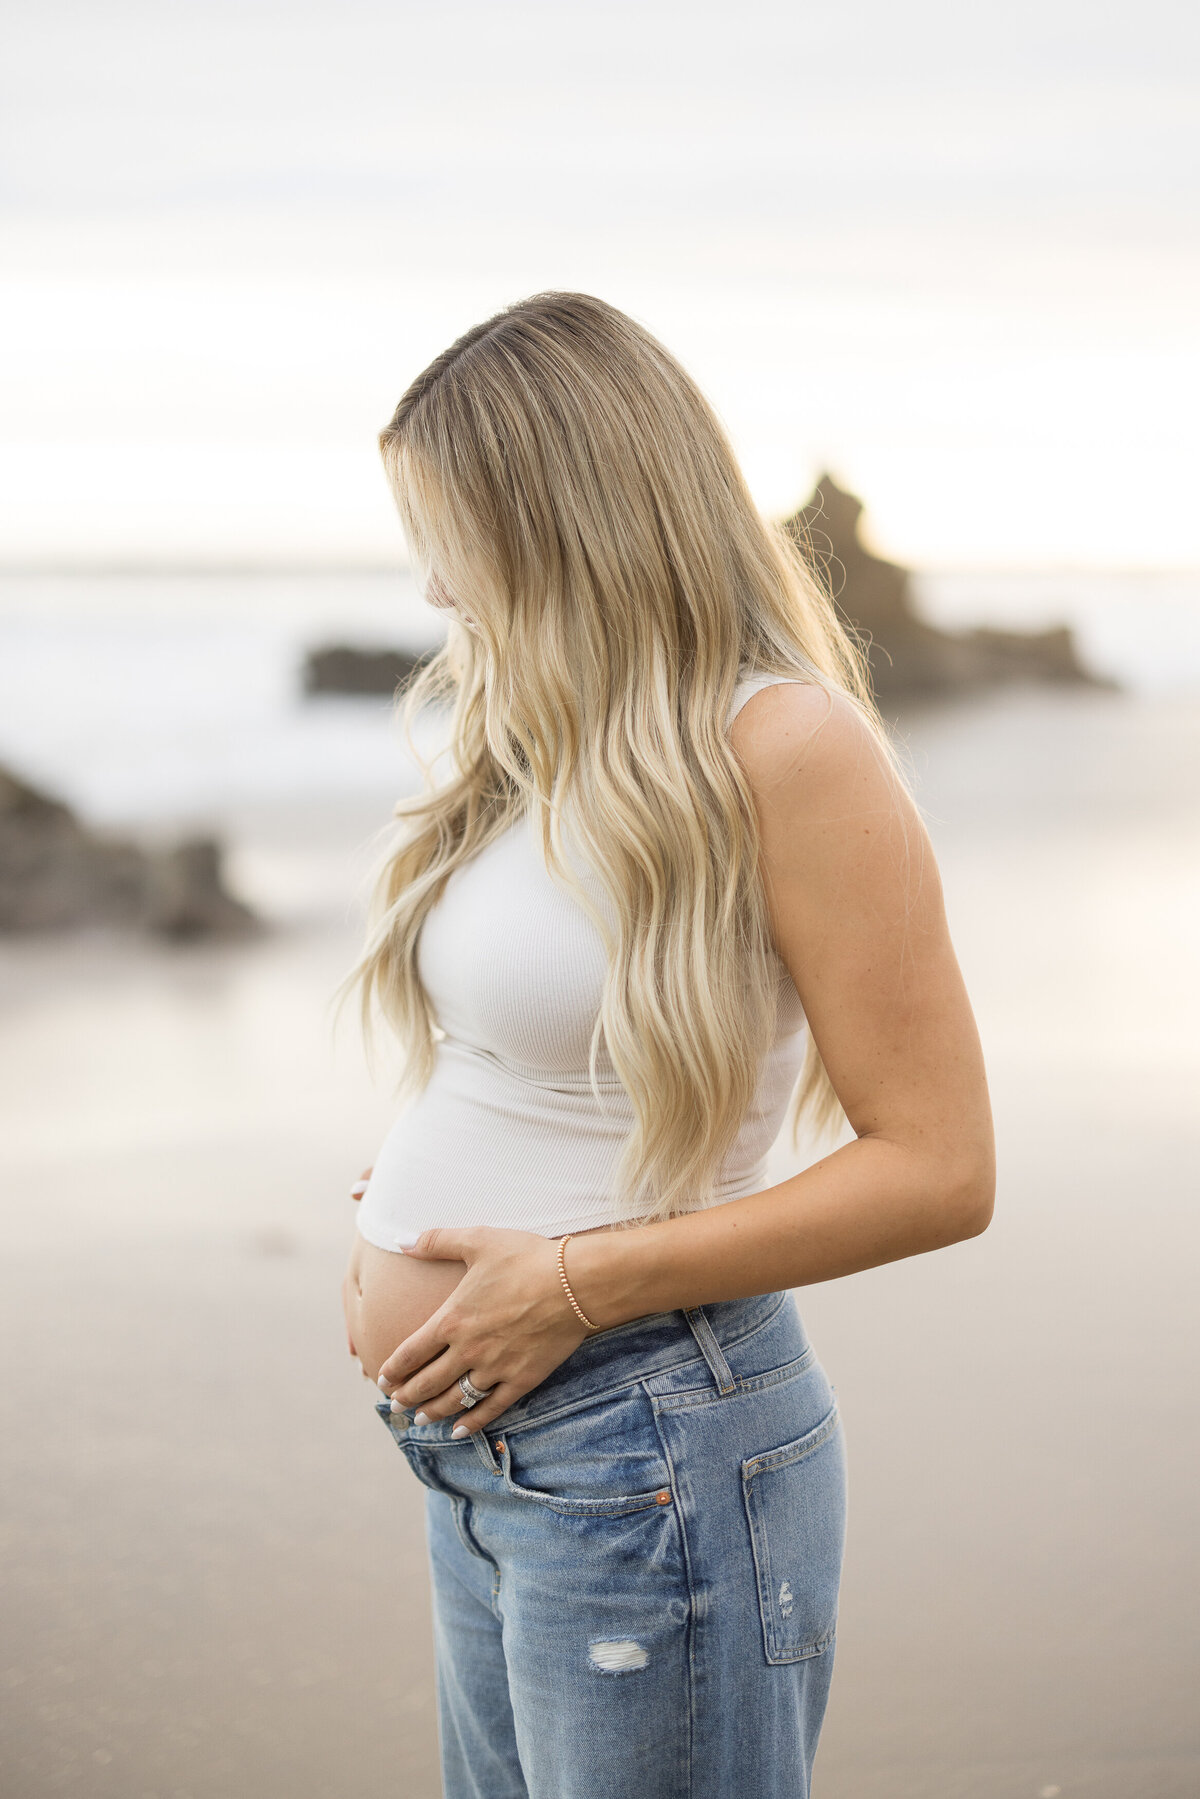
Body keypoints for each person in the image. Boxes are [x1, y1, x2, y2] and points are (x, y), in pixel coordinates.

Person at [337, 291, 995, 1799]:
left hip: (645, 1441)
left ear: (564, 513)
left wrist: (565, 1278)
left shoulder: (785, 745)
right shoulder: (536, 732)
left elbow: (944, 1169)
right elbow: (529, 1044)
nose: (436, 589)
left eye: (453, 533)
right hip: (484, 1445)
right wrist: (406, 1198)